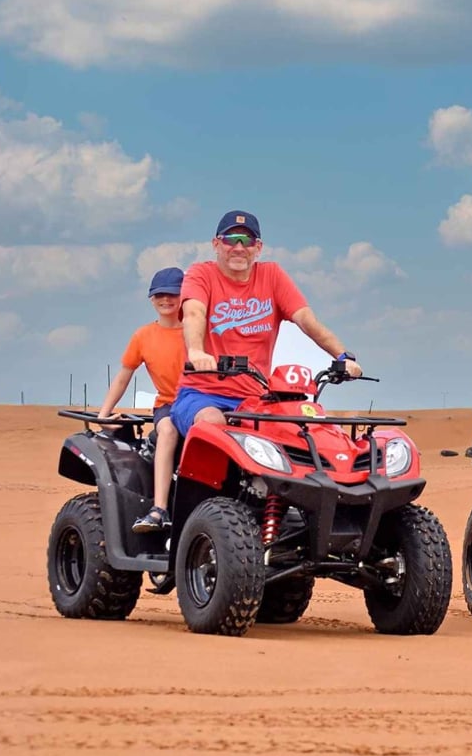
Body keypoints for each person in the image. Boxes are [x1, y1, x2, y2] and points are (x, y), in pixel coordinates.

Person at [171, 209, 363, 471]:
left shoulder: (271, 276)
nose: (239, 247)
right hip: (202, 393)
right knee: (213, 423)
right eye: (231, 239)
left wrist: (343, 356)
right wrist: (196, 352)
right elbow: (194, 312)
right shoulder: (201, 274)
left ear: (258, 248)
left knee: (298, 433)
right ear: (216, 244)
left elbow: (307, 321)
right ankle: (202, 506)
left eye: (247, 241)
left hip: (256, 398)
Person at [95, 267, 187, 532]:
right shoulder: (143, 336)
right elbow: (124, 376)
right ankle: (159, 509)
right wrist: (104, 413)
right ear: (151, 298)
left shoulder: (199, 332)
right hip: (168, 405)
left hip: (200, 403)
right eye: (160, 295)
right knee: (167, 430)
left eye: (172, 294)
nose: (166, 300)